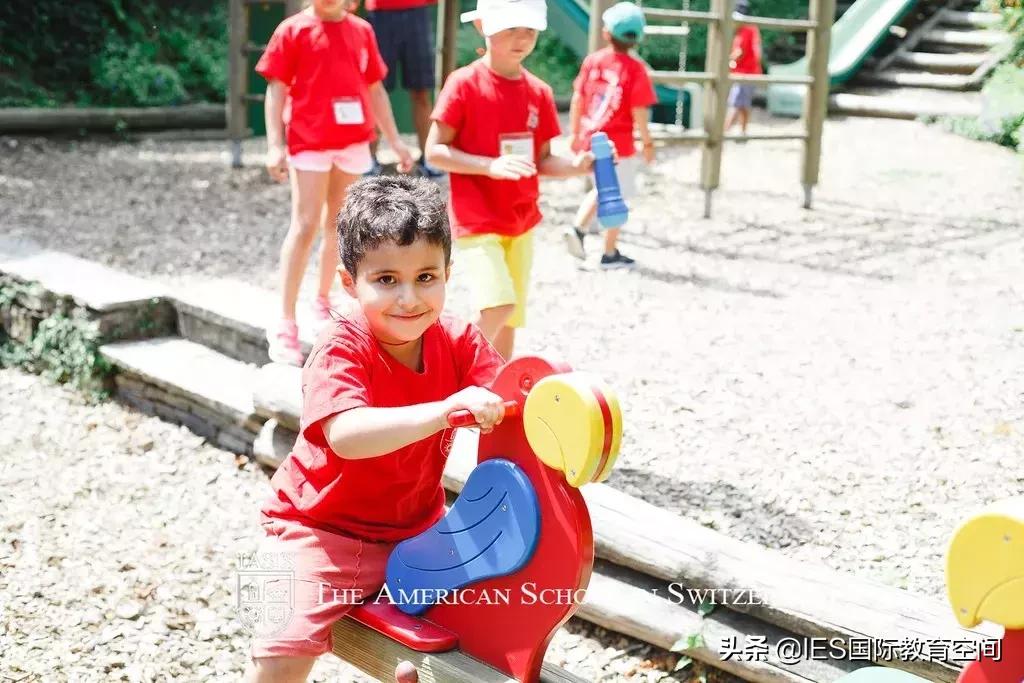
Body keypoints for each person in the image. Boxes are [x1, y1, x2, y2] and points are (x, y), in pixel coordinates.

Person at [243, 175, 507, 683]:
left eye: (426, 277)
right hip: (317, 531)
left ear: (447, 273)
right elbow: (347, 434)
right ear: (349, 283)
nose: (409, 298)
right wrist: (445, 410)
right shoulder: (341, 345)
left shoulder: (457, 339)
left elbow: (509, 396)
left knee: (486, 620)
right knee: (279, 648)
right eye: (386, 279)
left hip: (417, 531)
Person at [424, 0, 598, 360]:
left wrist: (578, 166)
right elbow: (434, 152)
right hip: (476, 221)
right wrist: (490, 166)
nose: (521, 39)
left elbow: (542, 160)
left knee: (509, 318)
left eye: (529, 30)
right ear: (482, 26)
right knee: (498, 305)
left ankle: (497, 387)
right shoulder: (463, 83)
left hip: (521, 221)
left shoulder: (539, 92)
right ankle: (448, 369)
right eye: (510, 29)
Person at [257, 0, 414, 366]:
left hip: (353, 141)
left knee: (339, 226)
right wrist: (275, 145)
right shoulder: (292, 30)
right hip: (308, 141)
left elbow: (375, 89)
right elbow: (276, 89)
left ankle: (323, 301)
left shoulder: (362, 31)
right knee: (305, 224)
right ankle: (285, 321)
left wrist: (396, 141)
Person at [563, 0, 656, 269]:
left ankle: (584, 233)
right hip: (619, 144)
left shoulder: (593, 61)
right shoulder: (636, 69)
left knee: (602, 189)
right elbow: (638, 110)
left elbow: (578, 98)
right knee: (616, 194)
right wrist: (647, 142)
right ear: (638, 38)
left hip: (591, 137)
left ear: (606, 33)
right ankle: (604, 248)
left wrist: (574, 132)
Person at [364, 0, 446, 178]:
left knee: (422, 90)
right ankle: (369, 160)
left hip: (417, 12)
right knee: (375, 87)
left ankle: (429, 158)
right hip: (380, 14)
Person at [724, 0, 763, 136]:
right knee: (743, 104)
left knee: (735, 103)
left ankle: (723, 132)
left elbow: (740, 52)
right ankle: (743, 132)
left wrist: (727, 62)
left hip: (745, 73)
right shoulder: (748, 29)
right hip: (748, 72)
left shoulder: (746, 30)